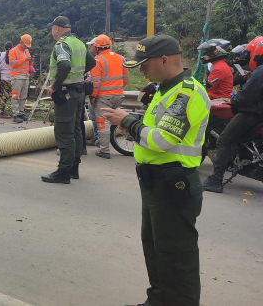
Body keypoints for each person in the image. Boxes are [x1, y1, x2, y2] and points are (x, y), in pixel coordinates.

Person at [102, 34, 210, 306]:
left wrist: (127, 120)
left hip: (173, 186)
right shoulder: (165, 89)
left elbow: (162, 140)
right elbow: (156, 128)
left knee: (176, 258)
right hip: (155, 184)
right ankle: (158, 300)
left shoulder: (187, 92)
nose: (141, 69)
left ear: (164, 59)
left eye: (144, 63)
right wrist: (135, 121)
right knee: (156, 252)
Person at [202, 40, 263, 193]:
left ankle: (215, 180)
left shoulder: (261, 71)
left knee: (224, 140)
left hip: (252, 114)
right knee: (237, 139)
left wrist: (233, 99)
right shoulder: (258, 72)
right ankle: (235, 162)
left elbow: (246, 96)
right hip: (258, 114)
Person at [41, 16, 95, 184]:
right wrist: (78, 76)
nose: (52, 31)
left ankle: (63, 171)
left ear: (56, 28)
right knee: (76, 130)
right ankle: (74, 169)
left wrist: (54, 86)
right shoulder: (79, 42)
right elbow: (91, 62)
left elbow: (64, 65)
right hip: (79, 93)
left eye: (52, 28)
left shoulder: (61, 45)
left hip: (66, 94)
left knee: (64, 132)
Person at [89, 35, 128, 159]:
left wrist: (93, 97)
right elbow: (125, 78)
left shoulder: (98, 60)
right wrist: (118, 89)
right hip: (118, 95)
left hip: (104, 97)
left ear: (97, 47)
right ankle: (131, 134)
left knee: (102, 122)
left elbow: (96, 82)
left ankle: (104, 150)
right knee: (116, 119)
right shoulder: (121, 58)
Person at [8, 35, 33, 123]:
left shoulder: (26, 51)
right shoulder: (13, 51)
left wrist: (30, 60)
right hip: (16, 77)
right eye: (25, 45)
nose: (26, 47)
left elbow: (28, 64)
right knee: (15, 96)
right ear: (21, 42)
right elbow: (12, 63)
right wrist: (24, 59)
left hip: (25, 76)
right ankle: (15, 114)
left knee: (23, 96)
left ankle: (21, 113)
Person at [0, 42, 13, 118]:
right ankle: (1, 112)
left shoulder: (0, 54)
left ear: (4, 47)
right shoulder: (13, 55)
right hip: (10, 79)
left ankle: (1, 111)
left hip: (1, 78)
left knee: (2, 95)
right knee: (6, 96)